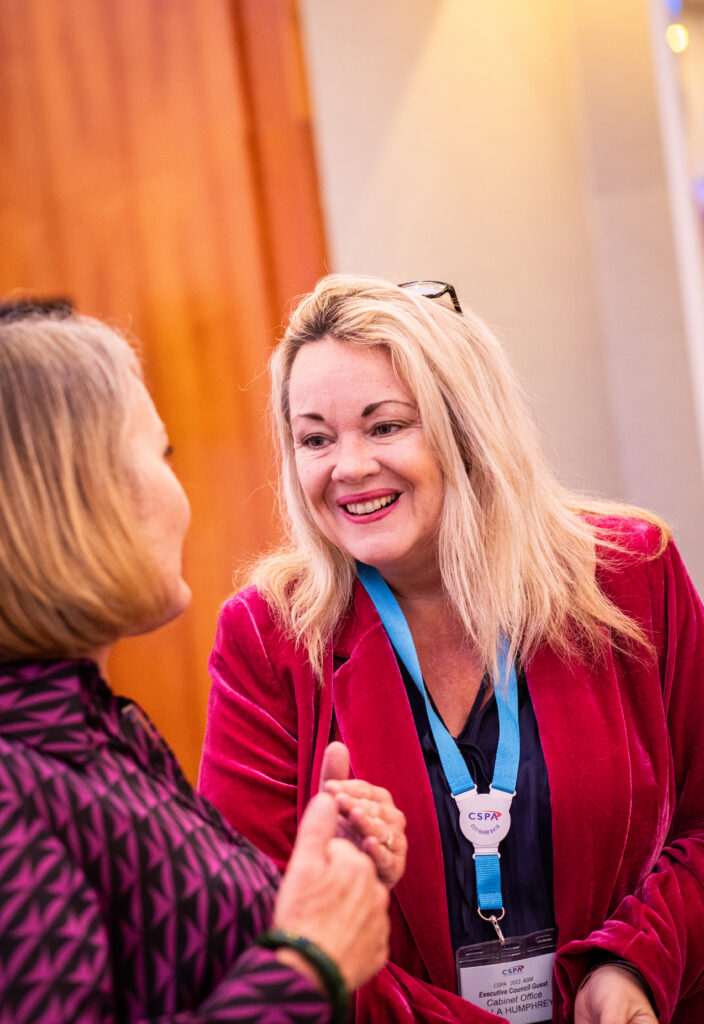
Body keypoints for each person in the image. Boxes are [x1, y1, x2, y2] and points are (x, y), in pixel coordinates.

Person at [199, 274, 704, 1024]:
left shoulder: (634, 576)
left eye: (386, 425)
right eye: (315, 438)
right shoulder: (267, 639)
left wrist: (632, 963)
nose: (349, 467)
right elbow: (256, 923)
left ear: (465, 428)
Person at [0, 307, 403, 1023]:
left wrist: (318, 894)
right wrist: (309, 965)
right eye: (161, 454)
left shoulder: (101, 734)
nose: (177, 494)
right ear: (77, 497)